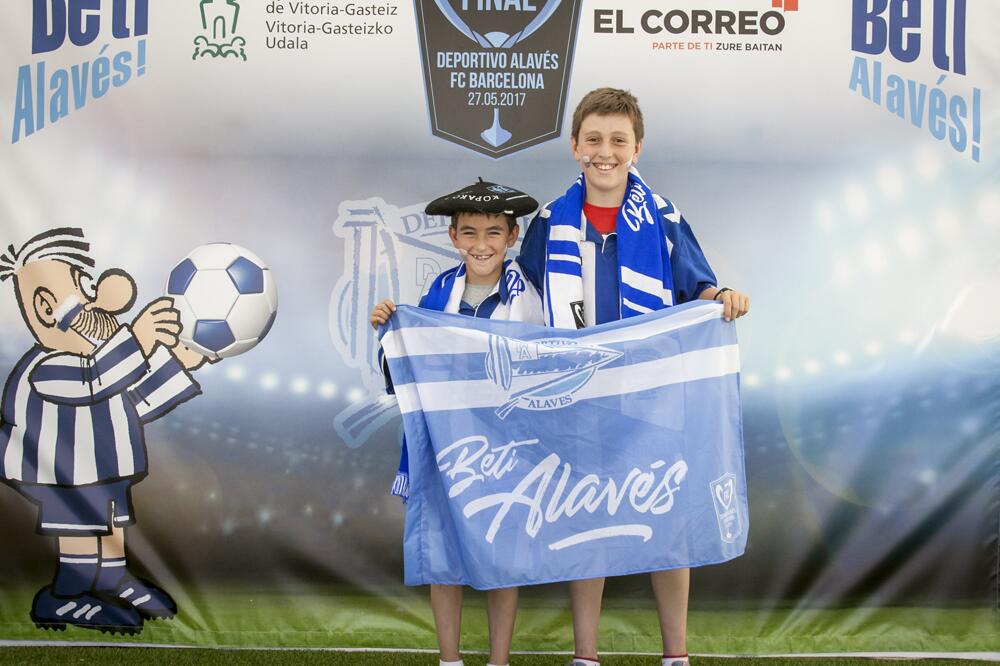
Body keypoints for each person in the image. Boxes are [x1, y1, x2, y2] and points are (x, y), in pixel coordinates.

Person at [516, 88, 751, 666]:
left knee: (668, 517)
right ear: (575, 146)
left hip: (654, 392)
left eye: (618, 140)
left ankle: (676, 655)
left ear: (636, 147)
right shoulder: (549, 221)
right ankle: (585, 655)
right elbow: (518, 299)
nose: (606, 151)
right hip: (579, 392)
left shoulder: (663, 217)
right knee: (588, 517)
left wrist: (720, 295)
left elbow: (697, 283)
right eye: (593, 139)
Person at [370, 179, 543, 666]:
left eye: (493, 232)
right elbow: (412, 364)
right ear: (453, 237)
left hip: (506, 441)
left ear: (512, 237)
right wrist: (389, 327)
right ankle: (449, 659)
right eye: (469, 233)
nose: (481, 244)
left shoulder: (526, 294)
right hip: (447, 440)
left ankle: (498, 660)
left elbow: (539, 364)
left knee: (501, 549)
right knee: (443, 551)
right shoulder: (438, 290)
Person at [0, 227, 207, 634]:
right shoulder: (49, 366)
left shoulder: (98, 364)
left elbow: (134, 402)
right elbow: (94, 379)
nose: (101, 301)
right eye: (84, 288)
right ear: (46, 308)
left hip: (102, 470)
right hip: (61, 473)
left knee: (109, 522)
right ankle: (64, 597)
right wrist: (140, 338)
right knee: (79, 527)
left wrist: (179, 364)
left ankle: (111, 577)